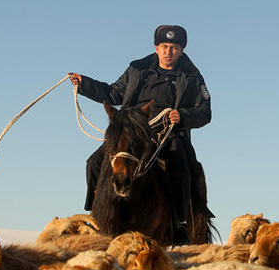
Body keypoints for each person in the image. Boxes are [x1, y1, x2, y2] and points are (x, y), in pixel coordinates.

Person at [68, 25, 211, 245]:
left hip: (167, 132)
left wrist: (182, 115)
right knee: (94, 162)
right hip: (132, 127)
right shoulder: (137, 70)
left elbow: (204, 112)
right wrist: (84, 84)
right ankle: (92, 215)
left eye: (174, 47)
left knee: (180, 164)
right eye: (164, 46)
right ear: (156, 48)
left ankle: (180, 223)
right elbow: (114, 92)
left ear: (181, 50)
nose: (168, 52)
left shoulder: (192, 77)